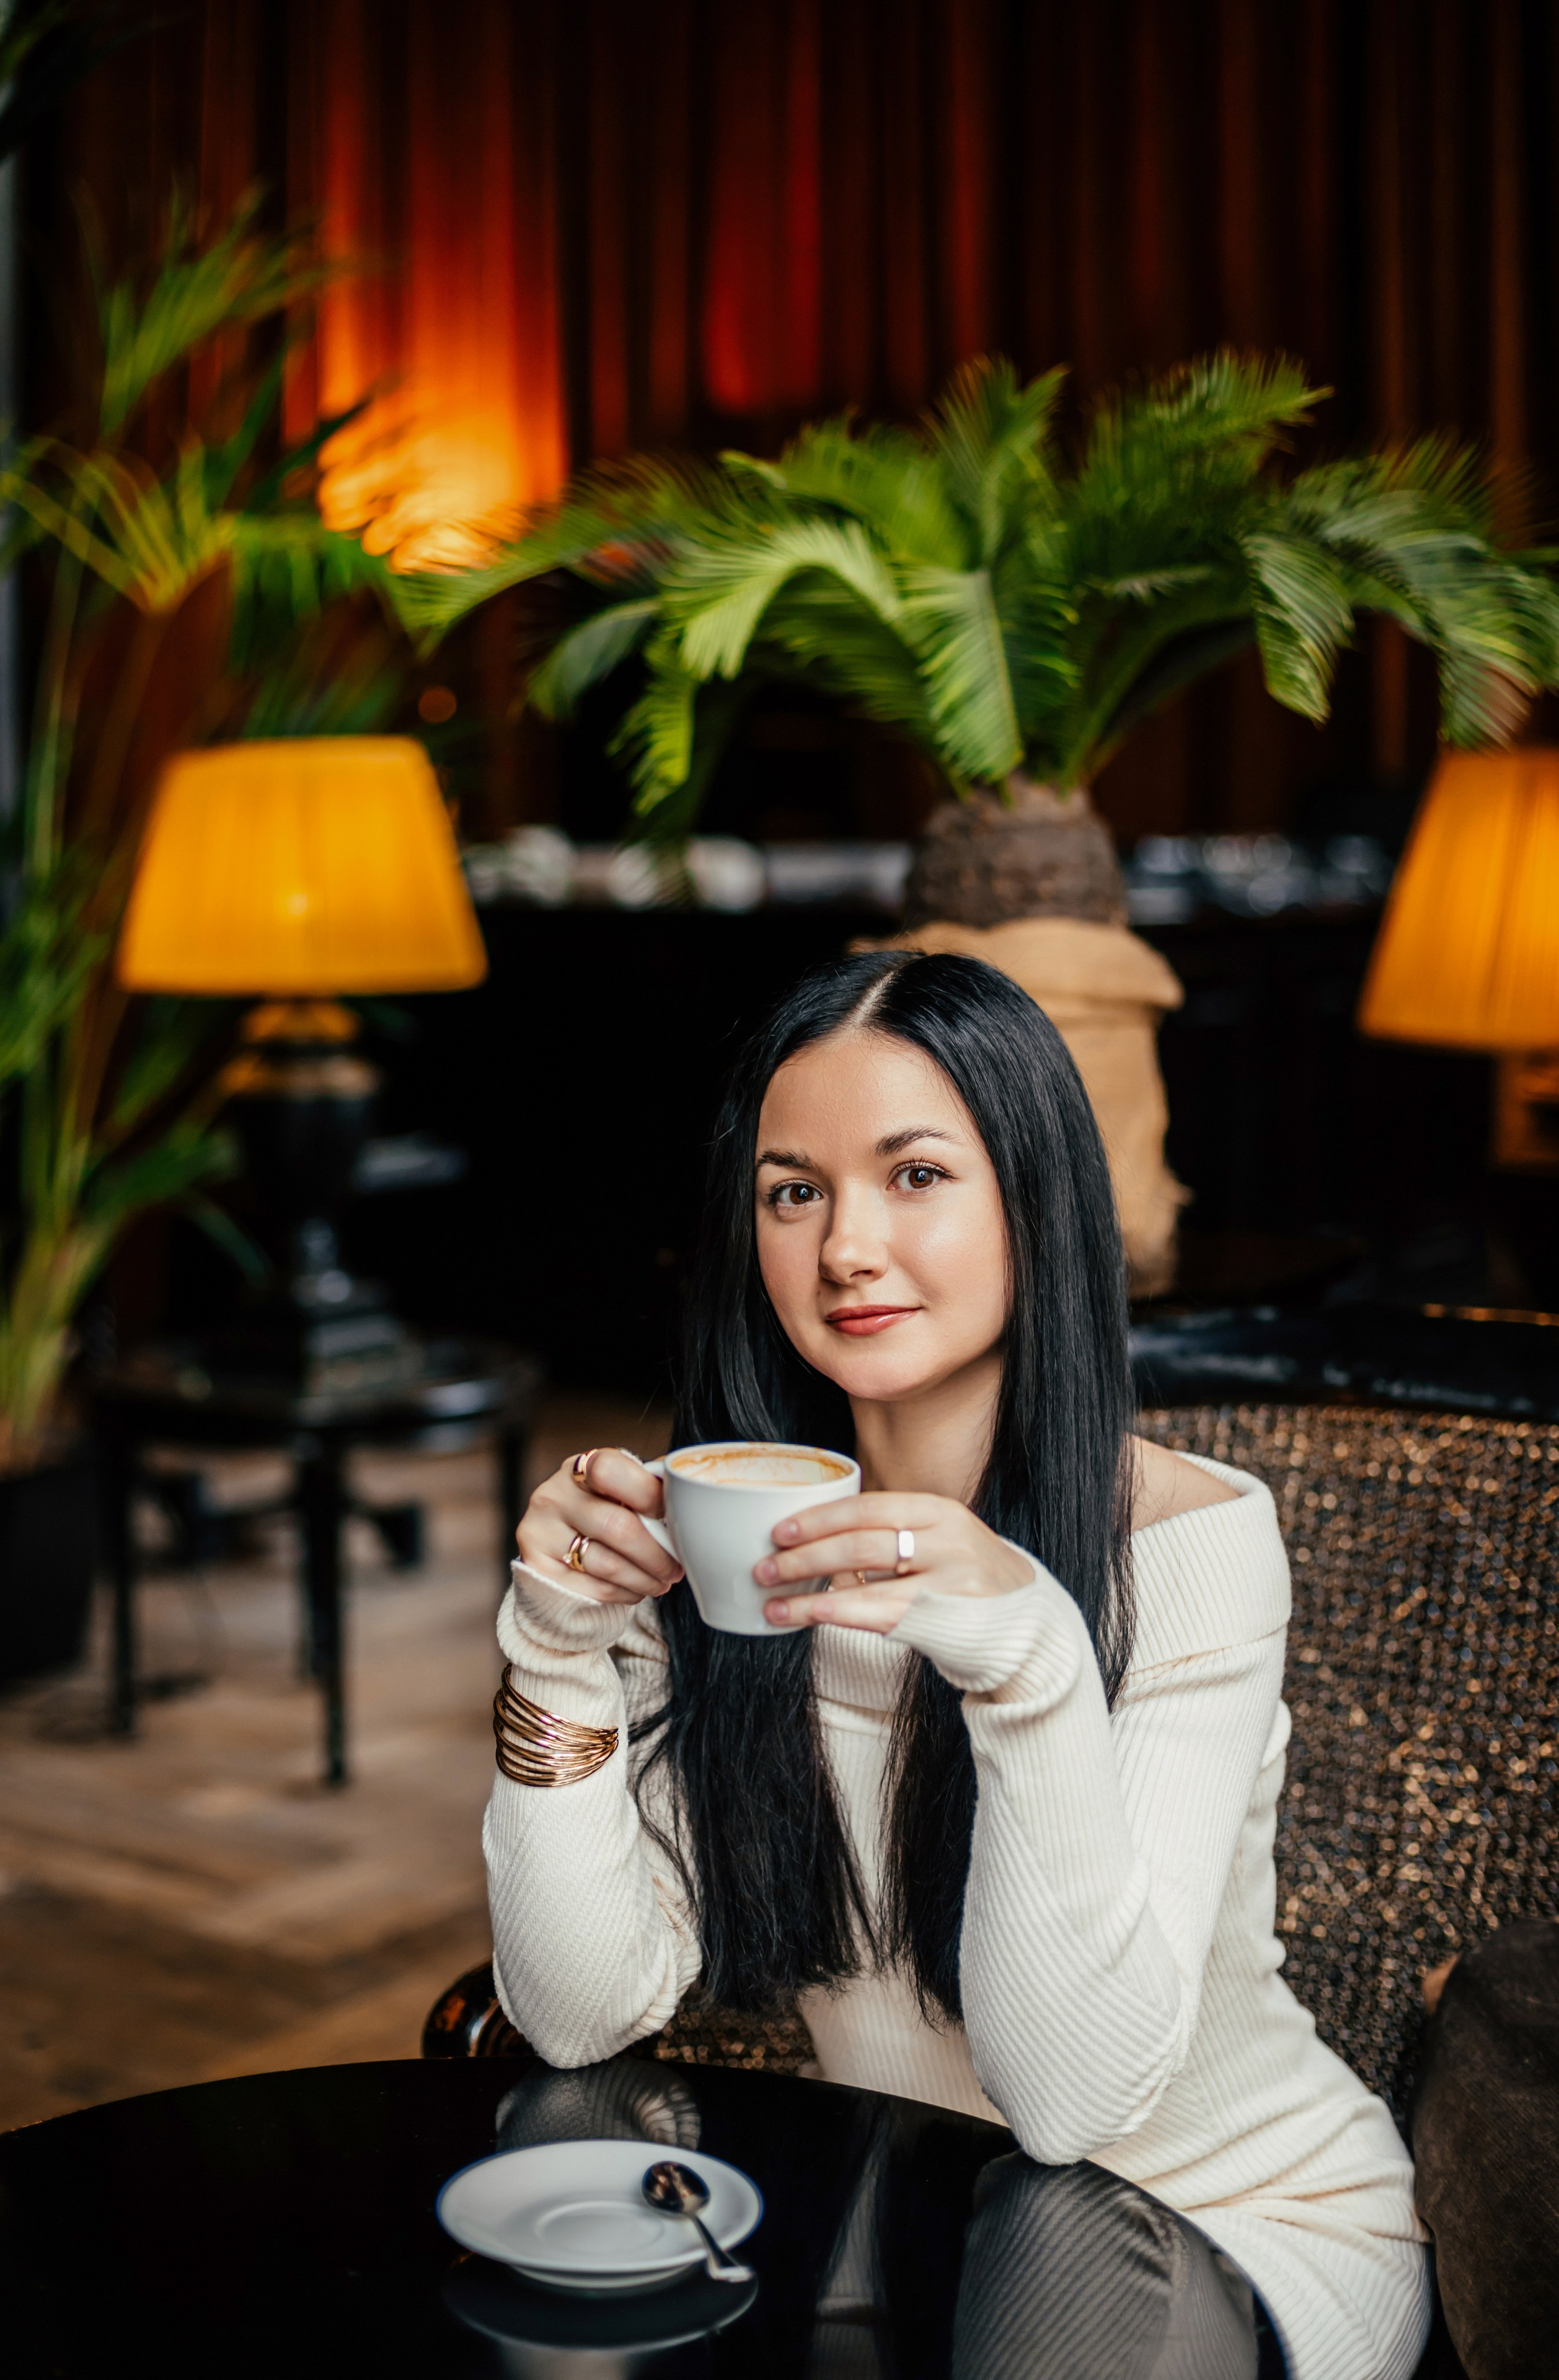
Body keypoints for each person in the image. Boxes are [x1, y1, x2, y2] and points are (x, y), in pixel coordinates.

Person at [484, 951, 1430, 2380]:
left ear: (1031, 1202)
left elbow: (1064, 2106)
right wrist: (552, 1654)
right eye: (792, 1190)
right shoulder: (722, 1539)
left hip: (1234, 2220)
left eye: (914, 1174)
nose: (844, 1246)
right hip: (912, 2214)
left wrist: (1035, 1666)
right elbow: (575, 2012)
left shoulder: (1189, 1549)